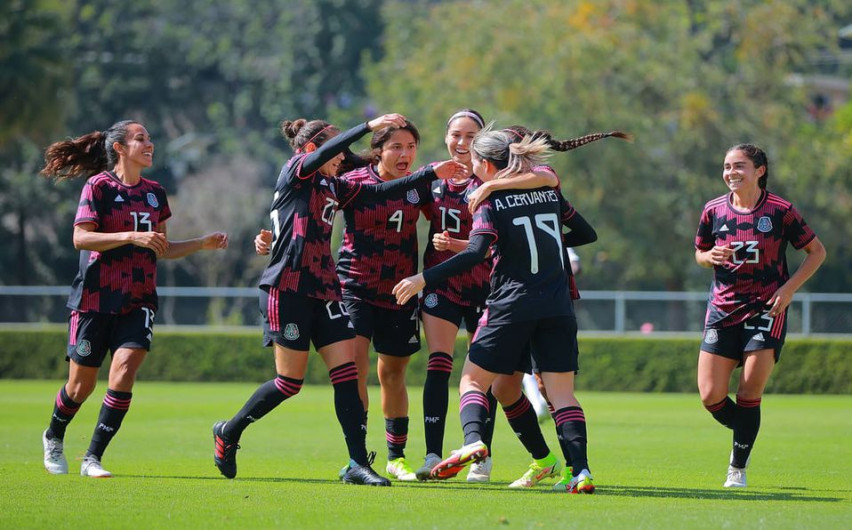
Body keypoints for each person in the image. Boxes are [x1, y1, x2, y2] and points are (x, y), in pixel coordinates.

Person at [214, 115, 469, 486]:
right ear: (315, 149)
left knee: (348, 375)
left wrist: (429, 173)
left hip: (326, 289)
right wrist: (368, 126)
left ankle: (356, 463)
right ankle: (229, 431)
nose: (344, 156)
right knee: (289, 382)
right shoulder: (296, 170)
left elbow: (380, 193)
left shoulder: (333, 186)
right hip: (287, 287)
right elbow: (332, 154)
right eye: (337, 149)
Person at [393, 129, 597, 494]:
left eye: (474, 162)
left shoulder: (490, 200)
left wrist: (422, 279)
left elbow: (474, 254)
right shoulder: (548, 191)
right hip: (557, 307)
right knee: (539, 392)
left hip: (511, 306)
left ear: (486, 164)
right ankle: (576, 471)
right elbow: (585, 232)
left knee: (472, 381)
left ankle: (473, 440)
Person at [39, 120, 229, 478]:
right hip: (95, 299)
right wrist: (130, 236)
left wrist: (201, 244)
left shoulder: (156, 193)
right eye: (140, 138)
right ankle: (54, 434)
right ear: (120, 148)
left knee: (124, 370)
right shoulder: (98, 186)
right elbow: (81, 238)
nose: (149, 143)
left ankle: (92, 457)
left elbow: (161, 247)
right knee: (81, 386)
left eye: (150, 138)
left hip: (139, 299)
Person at [417, 110, 562, 482]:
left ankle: (484, 455)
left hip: (497, 292)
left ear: (484, 144)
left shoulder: (510, 181)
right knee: (444, 363)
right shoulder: (435, 177)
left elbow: (549, 177)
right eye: (456, 135)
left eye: (470, 136)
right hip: (450, 287)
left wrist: (490, 188)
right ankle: (436, 452)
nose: (461, 142)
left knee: (502, 385)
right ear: (446, 137)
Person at [695, 143, 825, 488]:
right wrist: (710, 257)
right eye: (726, 166)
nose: (730, 173)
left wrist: (789, 289)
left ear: (759, 171)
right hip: (722, 310)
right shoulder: (712, 210)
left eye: (739, 166)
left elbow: (816, 252)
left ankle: (737, 467)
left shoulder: (780, 210)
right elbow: (699, 252)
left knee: (750, 392)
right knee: (710, 396)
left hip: (767, 309)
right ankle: (747, 430)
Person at [334, 119, 427, 482]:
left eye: (411, 147)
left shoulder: (421, 185)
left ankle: (395, 457)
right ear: (378, 151)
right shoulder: (353, 183)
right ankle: (358, 458)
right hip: (354, 287)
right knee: (354, 370)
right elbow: (312, 217)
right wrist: (272, 241)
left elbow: (448, 218)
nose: (404, 154)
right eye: (396, 147)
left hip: (400, 291)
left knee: (392, 374)